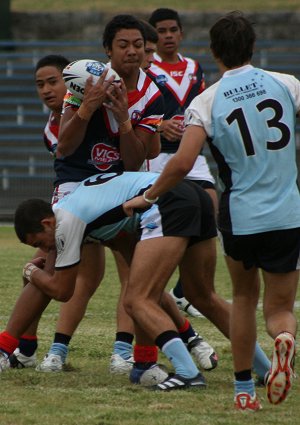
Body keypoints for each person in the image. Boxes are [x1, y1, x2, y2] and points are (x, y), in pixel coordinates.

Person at [123, 11, 300, 410]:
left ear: (213, 53)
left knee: (242, 298)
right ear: (253, 46)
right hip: (289, 212)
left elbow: (183, 164)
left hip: (242, 214)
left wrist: (149, 196)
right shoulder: (286, 84)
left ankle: (243, 391)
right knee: (279, 309)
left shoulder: (206, 100)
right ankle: (284, 340)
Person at [1, 170, 217, 391]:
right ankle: (159, 358)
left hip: (157, 200)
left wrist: (29, 271)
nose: (41, 250)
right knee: (170, 293)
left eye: (39, 242)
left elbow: (62, 291)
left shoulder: (67, 221)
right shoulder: (84, 214)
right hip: (156, 195)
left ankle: (184, 367)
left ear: (47, 224)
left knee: (139, 297)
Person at [8, 54, 106, 373]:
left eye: (53, 81)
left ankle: (126, 351)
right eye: (40, 84)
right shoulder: (51, 130)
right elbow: (68, 154)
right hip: (74, 209)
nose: (47, 89)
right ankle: (29, 349)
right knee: (49, 274)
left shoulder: (101, 112)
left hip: (112, 199)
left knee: (130, 280)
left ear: (71, 82)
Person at [147, 8, 217, 317]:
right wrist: (159, 126)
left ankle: (183, 291)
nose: (168, 36)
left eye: (173, 30)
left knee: (209, 209)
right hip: (157, 155)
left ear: (182, 33)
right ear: (153, 35)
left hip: (192, 155)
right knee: (169, 224)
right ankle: (160, 288)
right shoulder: (146, 67)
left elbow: (201, 106)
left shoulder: (194, 67)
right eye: (161, 31)